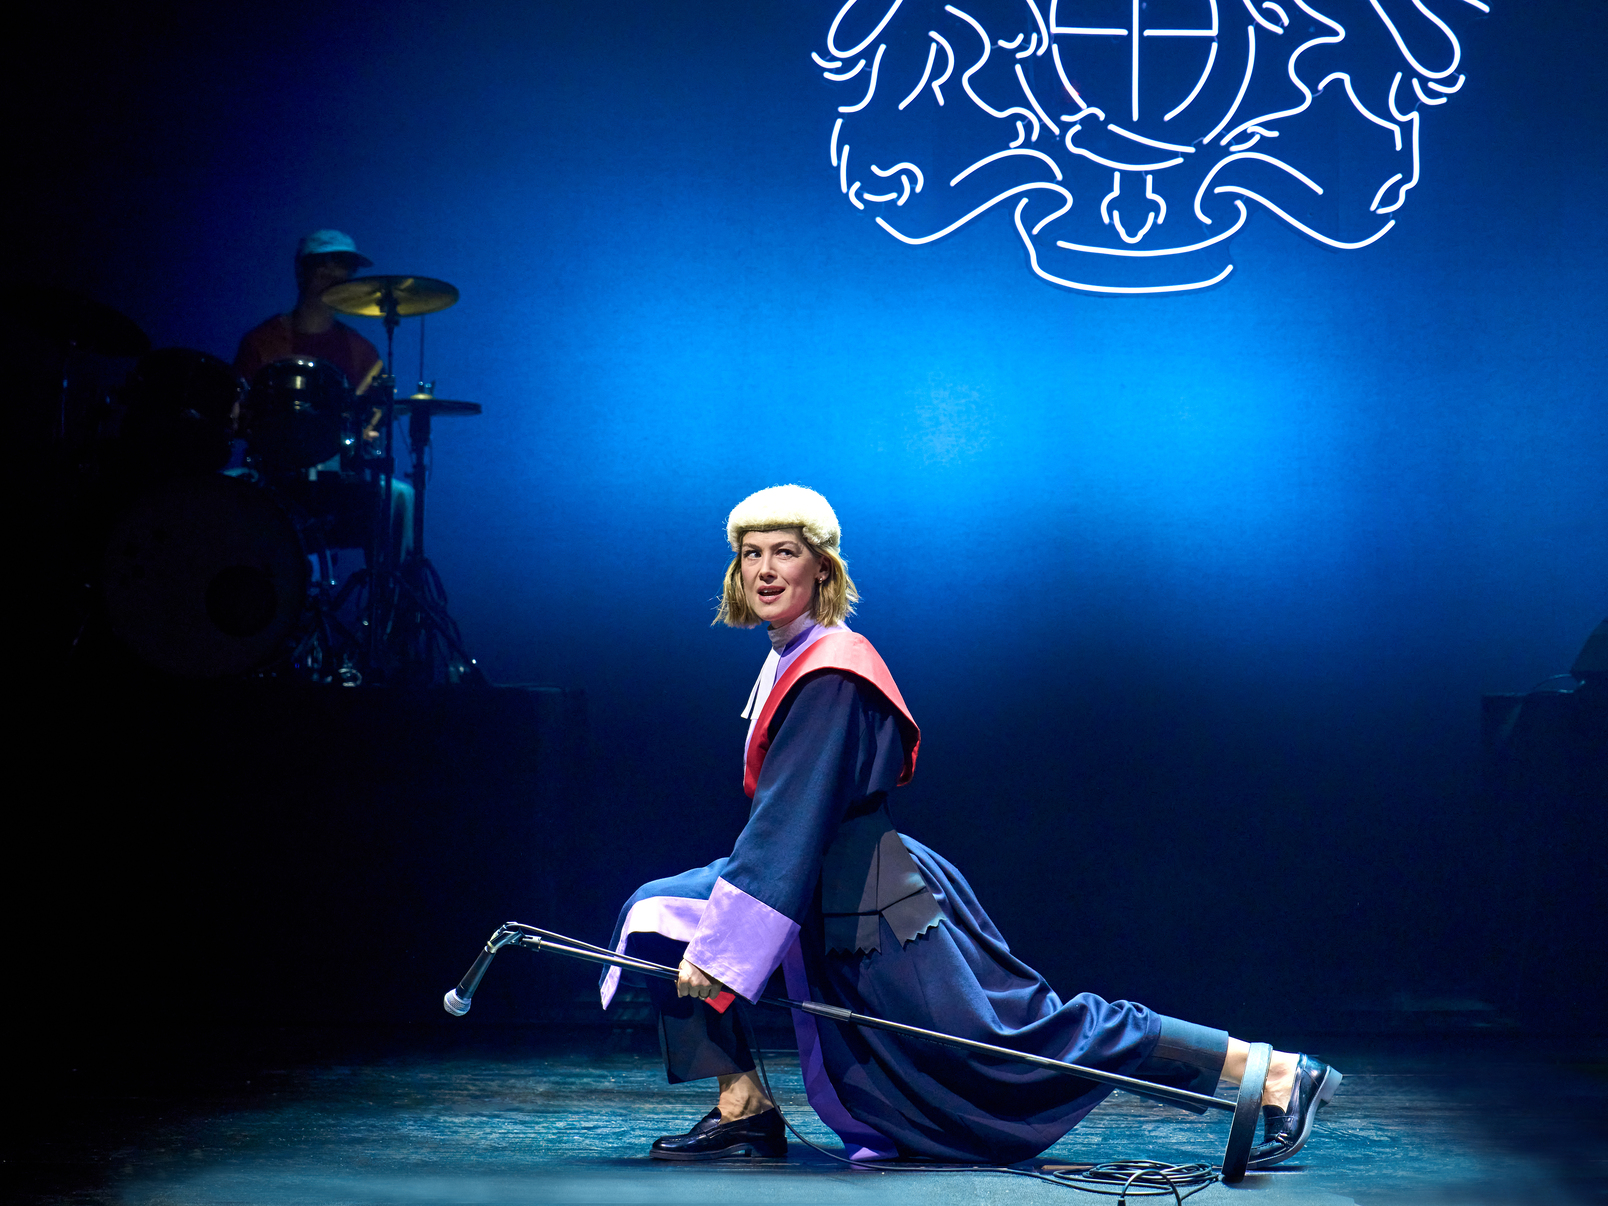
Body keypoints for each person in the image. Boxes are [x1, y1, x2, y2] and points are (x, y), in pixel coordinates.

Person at [602, 484, 1341, 1167]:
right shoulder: (789, 655)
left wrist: (728, 948)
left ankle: (1273, 1072)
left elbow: (792, 818)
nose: (765, 570)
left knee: (1017, 1045)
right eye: (750, 554)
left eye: (784, 552)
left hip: (871, 895)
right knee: (660, 912)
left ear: (821, 569)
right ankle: (743, 1106)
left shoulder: (831, 668)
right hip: (826, 880)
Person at [233, 229, 383, 394]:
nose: (333, 271)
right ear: (301, 269)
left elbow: (377, 414)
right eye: (323, 262)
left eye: (344, 264)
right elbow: (238, 409)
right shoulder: (262, 343)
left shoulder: (362, 354)